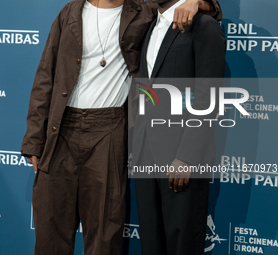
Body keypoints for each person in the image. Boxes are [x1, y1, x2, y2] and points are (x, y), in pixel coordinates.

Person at [20, 0, 222, 254]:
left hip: (109, 129)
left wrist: (197, 1)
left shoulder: (144, 11)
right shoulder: (70, 12)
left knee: (104, 236)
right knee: (50, 234)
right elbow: (44, 76)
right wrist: (34, 139)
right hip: (60, 129)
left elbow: (208, 11)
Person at [132, 0, 226, 254]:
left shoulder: (204, 26)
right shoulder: (150, 25)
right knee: (151, 245)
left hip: (181, 161)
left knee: (182, 246)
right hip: (144, 156)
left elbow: (208, 98)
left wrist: (187, 157)